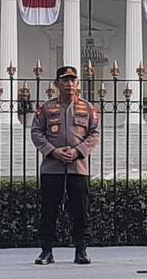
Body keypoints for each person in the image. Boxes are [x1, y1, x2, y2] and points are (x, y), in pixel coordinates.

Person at [30, 65, 102, 265]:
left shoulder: (87, 108)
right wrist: (53, 151)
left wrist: (78, 151)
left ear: (78, 84)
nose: (69, 84)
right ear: (56, 84)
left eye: (73, 80)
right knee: (48, 210)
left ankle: (81, 250)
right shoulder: (46, 108)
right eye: (65, 80)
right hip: (52, 167)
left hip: (78, 167)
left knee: (80, 210)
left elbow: (94, 133)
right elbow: (36, 132)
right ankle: (46, 251)